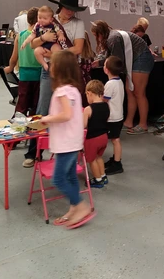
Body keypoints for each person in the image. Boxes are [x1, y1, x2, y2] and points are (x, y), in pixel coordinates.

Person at [24, 0, 86, 168]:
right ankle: (33, 152)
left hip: (67, 70)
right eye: (68, 8)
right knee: (43, 108)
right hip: (49, 69)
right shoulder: (48, 19)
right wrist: (44, 38)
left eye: (73, 9)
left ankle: (67, 150)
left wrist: (55, 54)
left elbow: (78, 48)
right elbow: (34, 43)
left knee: (69, 110)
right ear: (61, 6)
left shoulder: (78, 23)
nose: (71, 12)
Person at [41, 50, 94, 228]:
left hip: (66, 143)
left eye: (52, 64)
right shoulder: (72, 90)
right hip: (71, 141)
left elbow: (66, 114)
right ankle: (74, 208)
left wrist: (46, 119)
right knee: (70, 177)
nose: (49, 67)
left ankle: (80, 205)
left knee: (59, 179)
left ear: (60, 68)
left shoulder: (63, 91)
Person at [91, 20, 154, 135]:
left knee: (139, 92)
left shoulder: (113, 38)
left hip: (141, 58)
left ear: (100, 33)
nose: (97, 38)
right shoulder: (111, 36)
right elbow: (111, 56)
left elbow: (116, 60)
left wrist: (101, 63)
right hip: (136, 59)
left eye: (96, 35)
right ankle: (128, 122)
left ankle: (143, 124)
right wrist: (99, 62)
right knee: (130, 90)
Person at [4, 7, 41, 117]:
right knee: (36, 104)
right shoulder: (41, 37)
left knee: (22, 103)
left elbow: (14, 57)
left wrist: (10, 68)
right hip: (38, 74)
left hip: (24, 74)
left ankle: (18, 121)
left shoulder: (20, 36)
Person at [20, 6, 67, 71]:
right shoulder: (37, 25)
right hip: (42, 46)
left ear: (51, 19)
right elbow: (32, 35)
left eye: (45, 18)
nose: (41, 20)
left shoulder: (53, 25)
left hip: (52, 44)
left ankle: (55, 65)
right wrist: (25, 42)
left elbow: (59, 31)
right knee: (37, 51)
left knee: (57, 49)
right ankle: (44, 63)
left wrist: (61, 36)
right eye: (39, 18)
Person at [83, 80, 110, 188]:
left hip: (92, 139)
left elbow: (83, 125)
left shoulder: (88, 109)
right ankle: (103, 176)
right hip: (104, 137)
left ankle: (97, 180)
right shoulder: (106, 106)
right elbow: (106, 119)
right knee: (99, 157)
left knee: (91, 159)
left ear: (89, 93)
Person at [102, 56, 126, 175]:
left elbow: (104, 100)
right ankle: (115, 159)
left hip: (112, 118)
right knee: (115, 139)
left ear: (106, 70)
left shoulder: (110, 84)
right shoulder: (119, 81)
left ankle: (117, 163)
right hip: (118, 116)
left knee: (115, 140)